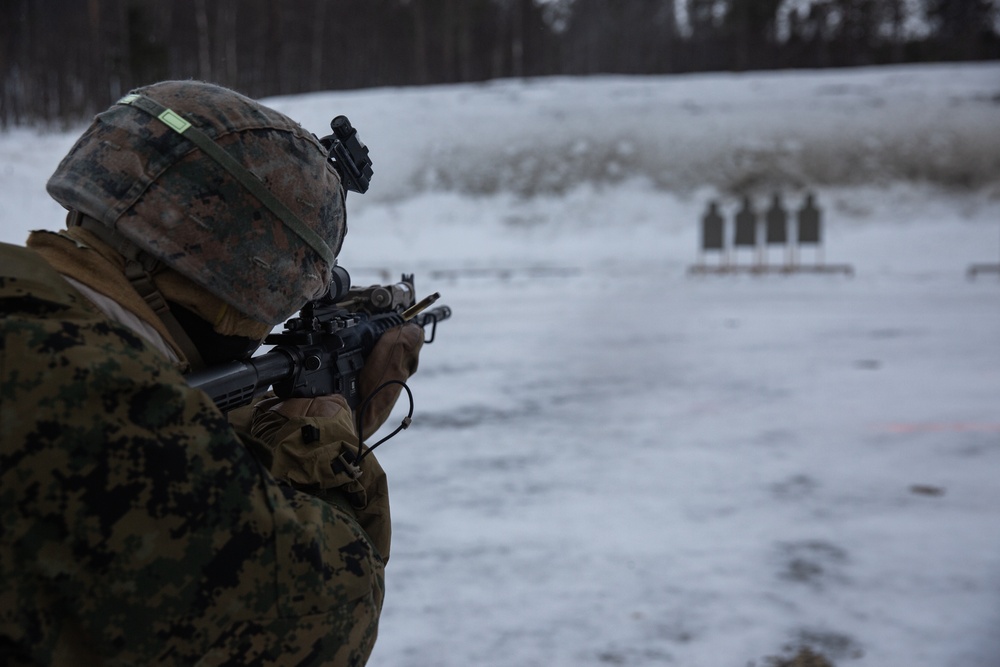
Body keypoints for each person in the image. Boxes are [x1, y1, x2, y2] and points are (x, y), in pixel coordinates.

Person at [0, 80, 423, 665]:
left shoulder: (39, 327)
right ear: (240, 282)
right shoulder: (96, 400)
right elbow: (322, 621)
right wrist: (322, 446)